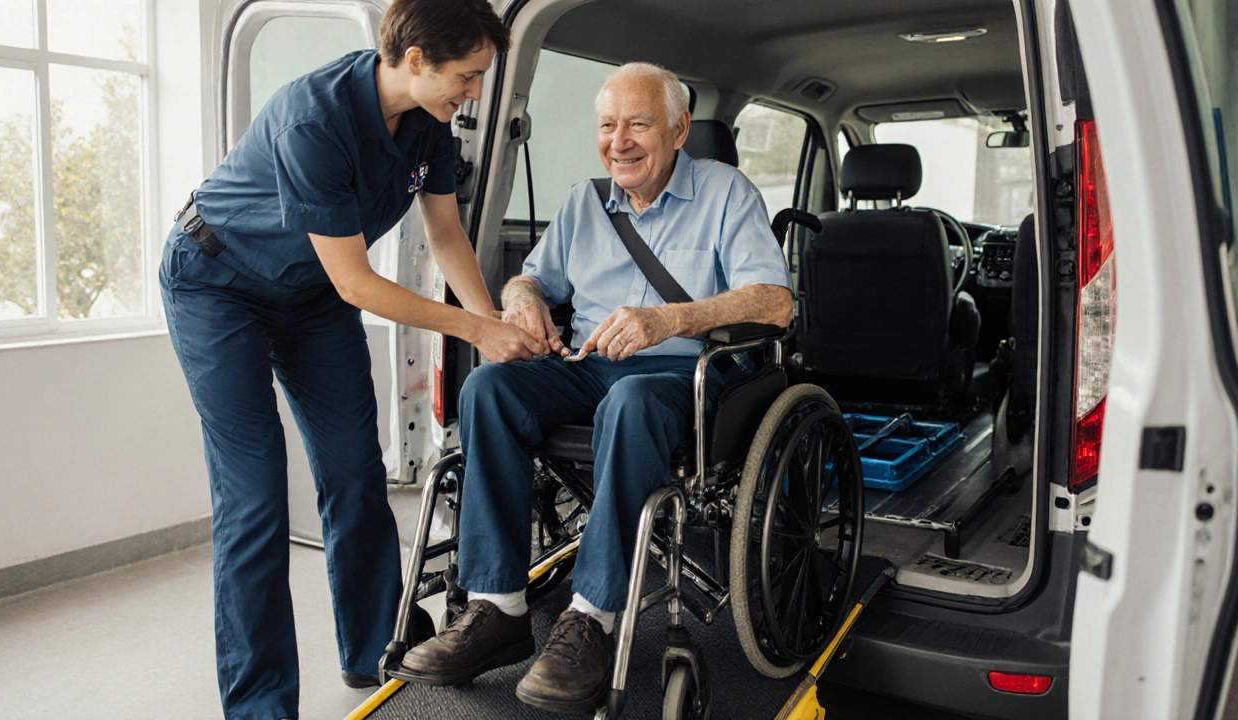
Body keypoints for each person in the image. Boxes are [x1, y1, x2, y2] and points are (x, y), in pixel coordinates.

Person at [159, 1, 543, 718]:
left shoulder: (428, 123)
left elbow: (448, 236)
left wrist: (493, 329)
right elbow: (357, 283)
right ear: (417, 59)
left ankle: (372, 651)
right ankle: (259, 707)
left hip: (307, 296)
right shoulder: (315, 118)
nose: (476, 93)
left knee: (356, 474)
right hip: (217, 282)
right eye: (468, 76)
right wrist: (474, 330)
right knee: (255, 500)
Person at [394, 62, 794, 713]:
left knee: (629, 402)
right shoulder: (585, 202)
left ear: (678, 128)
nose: (620, 141)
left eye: (638, 124)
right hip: (588, 365)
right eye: (608, 126)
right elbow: (532, 280)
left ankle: (591, 619)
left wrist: (666, 319)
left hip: (683, 377)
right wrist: (523, 302)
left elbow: (776, 305)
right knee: (489, 388)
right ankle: (498, 606)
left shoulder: (726, 192)